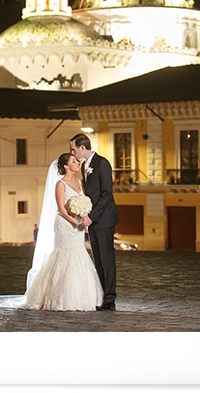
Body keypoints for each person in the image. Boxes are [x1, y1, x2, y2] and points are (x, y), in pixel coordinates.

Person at [0, 154, 102, 311]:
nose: (77, 163)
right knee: (63, 254)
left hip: (77, 226)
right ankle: (57, 295)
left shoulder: (80, 182)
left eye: (77, 161)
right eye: (74, 161)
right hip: (65, 224)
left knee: (79, 253)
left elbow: (85, 201)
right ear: (65, 166)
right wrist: (73, 220)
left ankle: (83, 295)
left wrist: (83, 214)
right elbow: (61, 209)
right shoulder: (60, 184)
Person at [70, 133, 119, 311]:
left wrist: (92, 216)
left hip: (104, 220)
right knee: (97, 260)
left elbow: (107, 194)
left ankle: (110, 299)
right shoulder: (84, 166)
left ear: (82, 148)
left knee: (107, 260)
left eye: (74, 148)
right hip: (92, 221)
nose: (72, 152)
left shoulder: (102, 163)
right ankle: (101, 295)